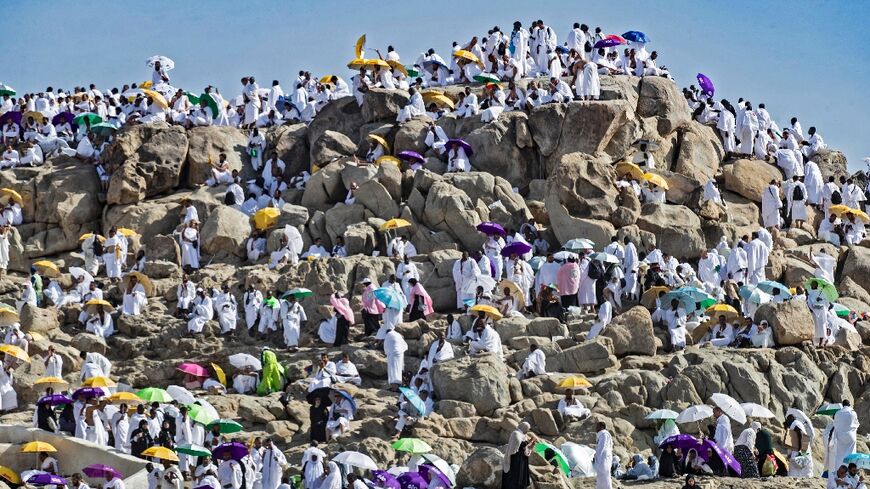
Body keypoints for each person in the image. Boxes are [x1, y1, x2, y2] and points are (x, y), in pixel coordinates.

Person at [502, 422, 534, 489]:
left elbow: (524, 447)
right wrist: (528, 442)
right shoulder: (516, 433)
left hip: (522, 458)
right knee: (514, 476)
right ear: (524, 428)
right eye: (527, 429)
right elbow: (516, 446)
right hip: (515, 458)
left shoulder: (523, 435)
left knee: (521, 476)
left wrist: (531, 444)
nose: (528, 430)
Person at [832, 400, 859, 474]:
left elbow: (835, 425)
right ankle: (850, 473)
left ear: (842, 405)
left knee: (840, 455)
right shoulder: (853, 412)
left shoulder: (838, 413)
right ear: (849, 404)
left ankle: (839, 472)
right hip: (851, 436)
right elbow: (856, 424)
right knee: (851, 455)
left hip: (840, 436)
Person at [594, 422, 614, 489]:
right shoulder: (603, 434)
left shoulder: (604, 434)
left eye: (597, 426)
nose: (596, 428)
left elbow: (601, 446)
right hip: (604, 456)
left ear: (602, 427)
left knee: (604, 474)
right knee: (603, 474)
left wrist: (597, 456)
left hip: (603, 456)